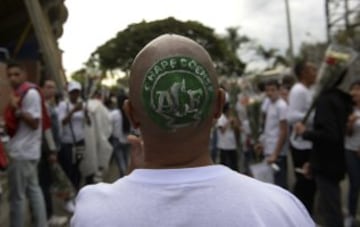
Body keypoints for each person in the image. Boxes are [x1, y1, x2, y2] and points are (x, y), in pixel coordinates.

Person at [71, 34, 314, 227]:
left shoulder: (92, 211)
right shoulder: (281, 209)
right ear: (219, 105)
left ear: (131, 114)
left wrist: (129, 188)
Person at [295, 77, 353, 227]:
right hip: (333, 161)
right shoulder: (339, 98)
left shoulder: (326, 100)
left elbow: (330, 135)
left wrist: (305, 132)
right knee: (326, 206)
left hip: (326, 164)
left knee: (331, 209)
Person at [5, 62, 48, 227]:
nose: (12, 78)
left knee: (17, 197)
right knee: (33, 191)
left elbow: (35, 122)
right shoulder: (22, 93)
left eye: (16, 74)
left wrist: (16, 110)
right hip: (28, 151)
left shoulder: (29, 93)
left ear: (24, 74)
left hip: (21, 153)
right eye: (9, 75)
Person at [287, 60, 317, 214]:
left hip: (309, 143)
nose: (316, 71)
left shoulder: (309, 90)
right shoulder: (298, 90)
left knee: (310, 185)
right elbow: (291, 116)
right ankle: (298, 215)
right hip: (301, 145)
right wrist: (318, 116)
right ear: (303, 73)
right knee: (305, 185)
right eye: (312, 69)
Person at [40, 80, 68, 225]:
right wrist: (51, 151)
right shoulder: (42, 106)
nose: (51, 90)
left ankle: (43, 214)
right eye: (48, 87)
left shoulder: (51, 106)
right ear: (42, 88)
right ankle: (47, 216)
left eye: (53, 87)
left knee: (48, 183)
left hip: (54, 148)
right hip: (45, 152)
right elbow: (46, 131)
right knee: (44, 183)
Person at [57, 81, 85, 212]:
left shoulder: (82, 105)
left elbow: (88, 123)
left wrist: (86, 112)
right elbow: (61, 122)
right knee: (68, 170)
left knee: (77, 170)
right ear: (69, 93)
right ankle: (67, 199)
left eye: (77, 92)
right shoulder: (63, 105)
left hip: (80, 142)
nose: (75, 95)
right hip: (67, 143)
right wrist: (73, 111)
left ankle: (75, 194)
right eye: (73, 92)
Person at [261, 80, 288, 188]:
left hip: (277, 153)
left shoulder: (281, 106)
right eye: (267, 90)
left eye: (273, 90)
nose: (269, 93)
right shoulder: (269, 104)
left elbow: (283, 131)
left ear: (279, 90)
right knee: (270, 182)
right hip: (269, 148)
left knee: (279, 184)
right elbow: (269, 127)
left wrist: (275, 154)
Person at [344, 80, 360, 227]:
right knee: (354, 184)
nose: (354, 93)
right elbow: (347, 133)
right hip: (350, 151)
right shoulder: (348, 110)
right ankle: (351, 214)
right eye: (352, 89)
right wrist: (349, 123)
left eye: (357, 89)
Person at [216, 103, 239, 171]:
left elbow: (235, 129)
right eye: (230, 109)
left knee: (234, 163)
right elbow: (222, 130)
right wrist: (228, 121)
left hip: (232, 144)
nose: (231, 111)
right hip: (224, 145)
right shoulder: (221, 118)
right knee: (224, 163)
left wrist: (235, 123)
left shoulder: (231, 117)